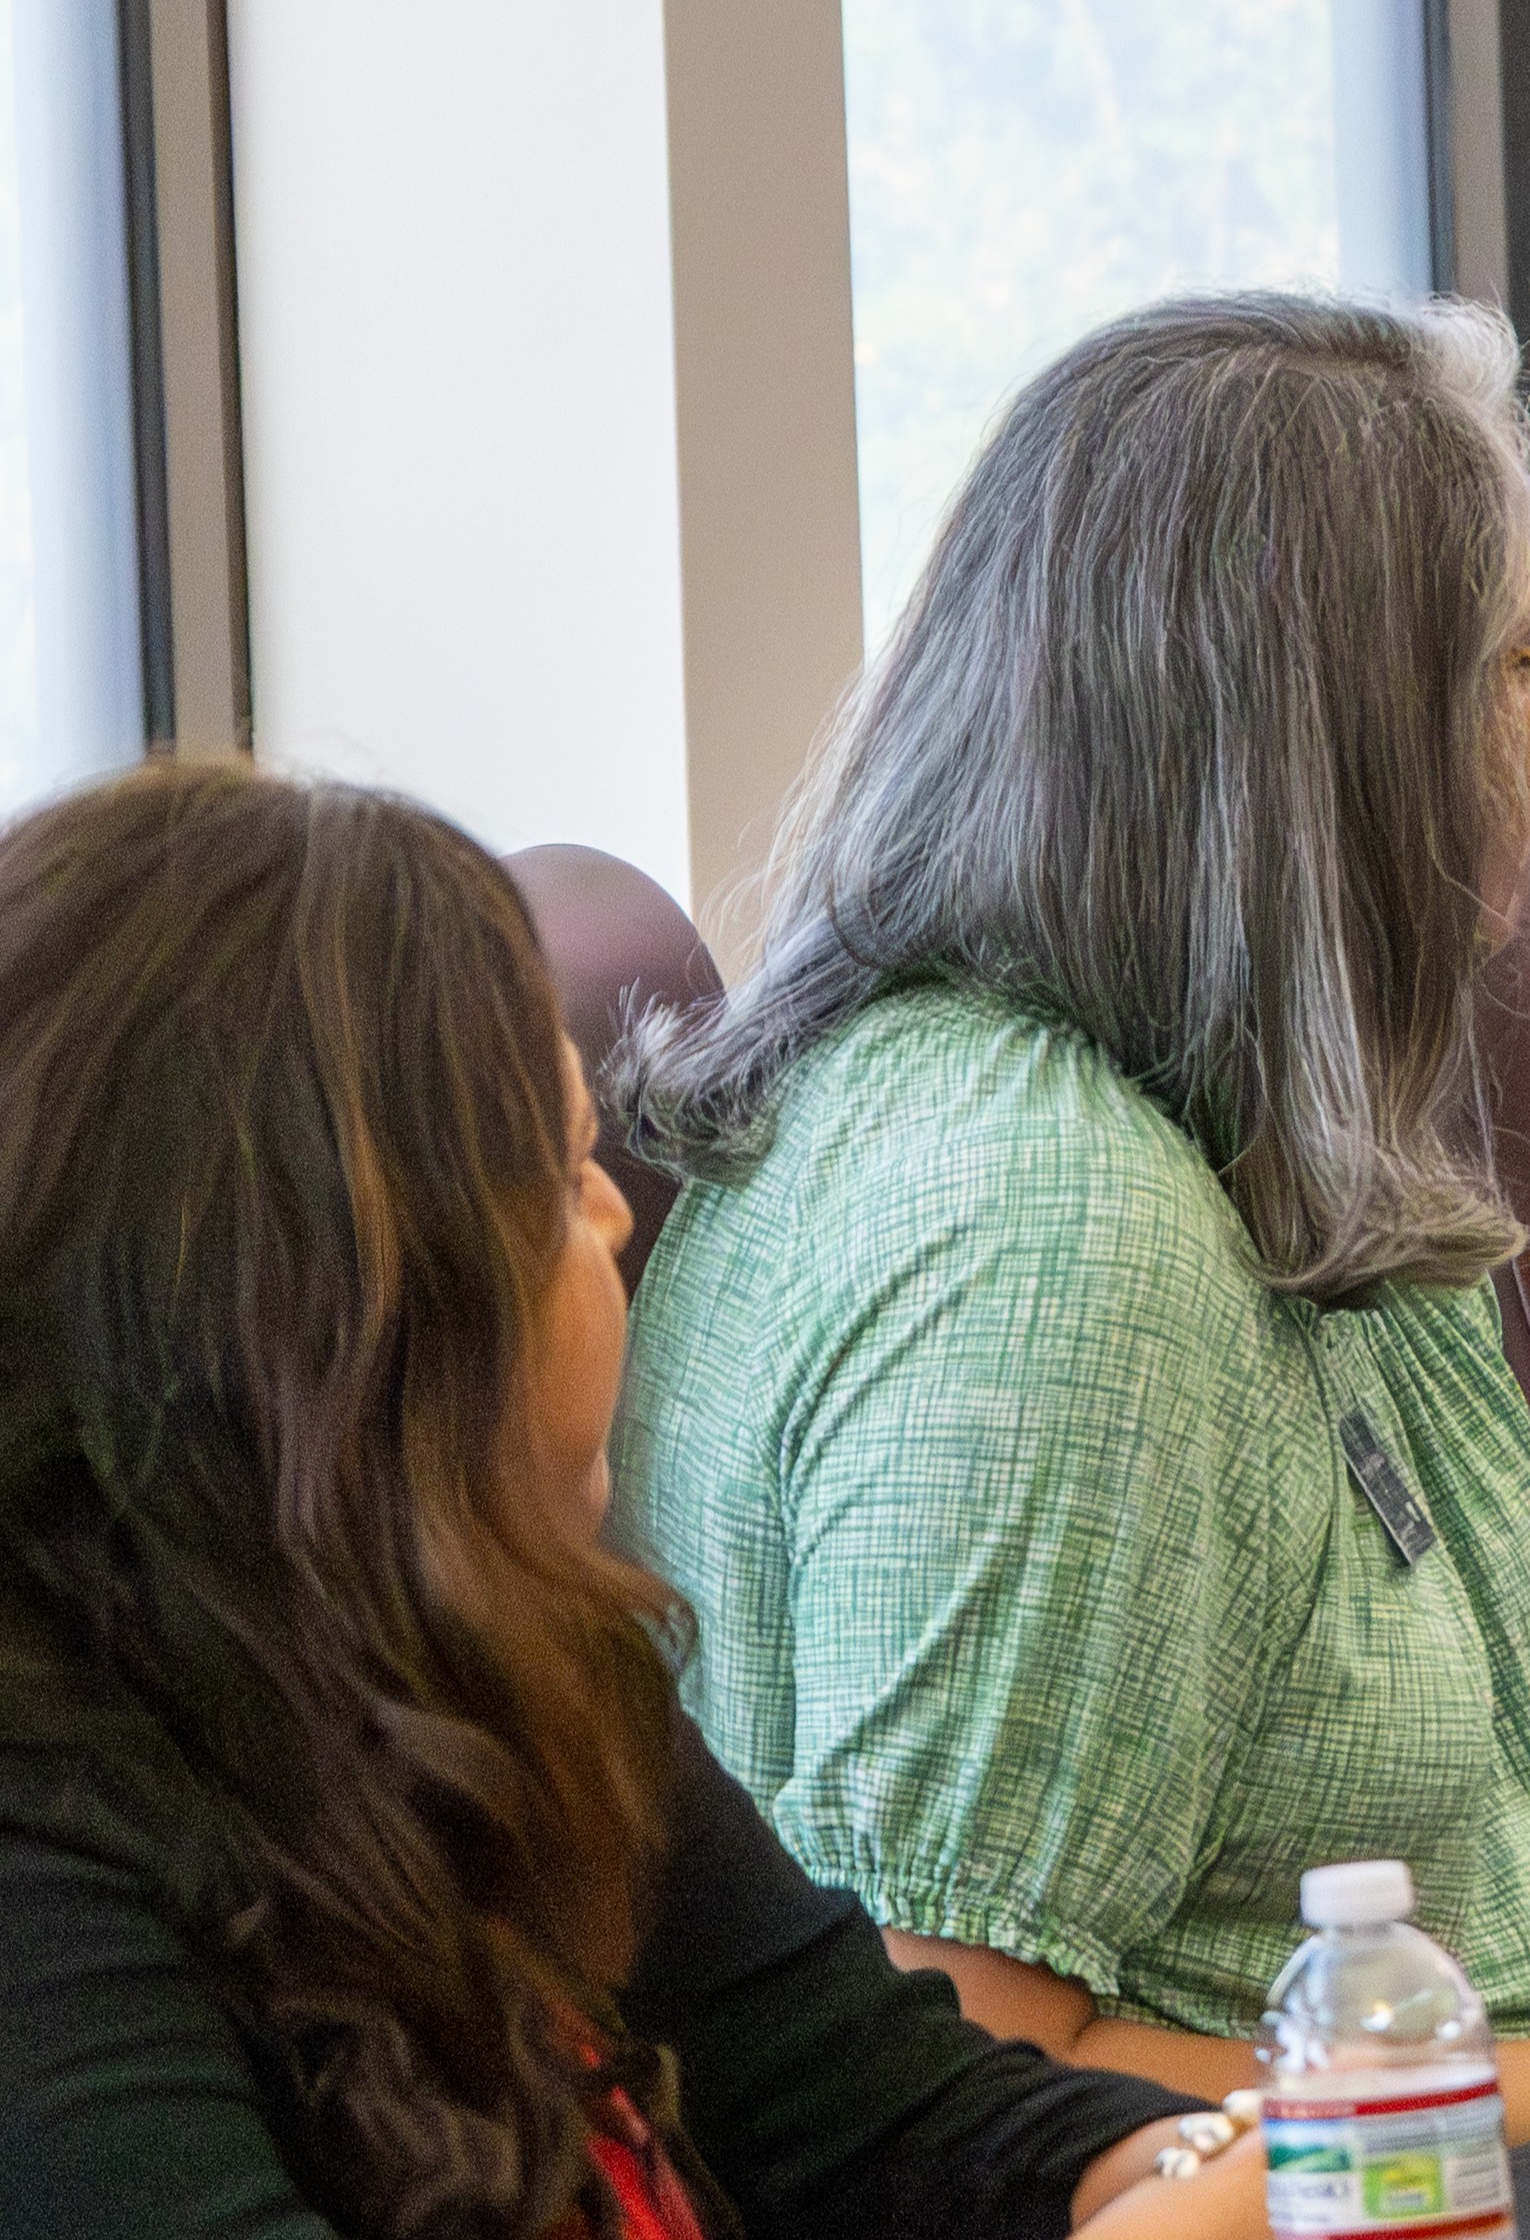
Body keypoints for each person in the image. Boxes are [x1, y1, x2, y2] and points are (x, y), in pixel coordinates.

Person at [609, 292, 1530, 2133]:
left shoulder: (1233, 1117)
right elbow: (954, 2085)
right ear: (1358, 746)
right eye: (1527, 660)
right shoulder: (1047, 1234)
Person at [0, 759, 1270, 2239]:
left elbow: (901, 2125)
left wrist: (1199, 2177)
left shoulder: (496, 1657)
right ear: (343, 1322)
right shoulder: (39, 1855)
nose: (616, 1217)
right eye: (561, 1174)